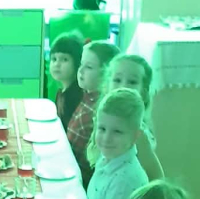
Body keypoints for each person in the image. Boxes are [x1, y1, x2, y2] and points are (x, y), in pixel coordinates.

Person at [86, 88, 148, 199]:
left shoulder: (123, 179)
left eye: (117, 132)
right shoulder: (108, 157)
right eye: (102, 129)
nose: (106, 138)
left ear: (135, 136)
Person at [67, 40, 119, 187]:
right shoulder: (87, 97)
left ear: (106, 74)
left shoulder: (97, 110)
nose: (81, 71)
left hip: (78, 181)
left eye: (89, 67)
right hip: (69, 165)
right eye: (81, 64)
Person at [107, 53, 163, 181]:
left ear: (143, 91)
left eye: (132, 82)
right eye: (117, 80)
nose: (123, 86)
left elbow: (156, 177)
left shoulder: (138, 133)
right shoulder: (105, 119)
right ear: (107, 84)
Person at [48, 32, 84, 129]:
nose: (57, 64)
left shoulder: (75, 96)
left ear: (77, 62)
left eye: (64, 59)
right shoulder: (61, 92)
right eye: (54, 59)